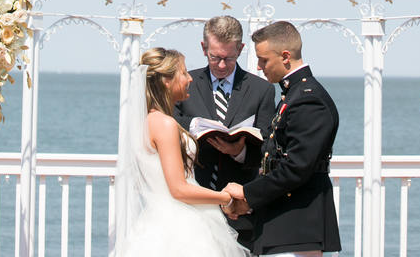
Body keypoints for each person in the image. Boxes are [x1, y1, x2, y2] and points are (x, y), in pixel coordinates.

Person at [224, 21, 341, 257]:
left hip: (299, 223)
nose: (258, 66)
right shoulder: (295, 93)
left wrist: (248, 195)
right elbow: (276, 153)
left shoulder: (308, 99)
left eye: (263, 59)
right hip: (287, 218)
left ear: (285, 56)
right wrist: (240, 151)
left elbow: (297, 167)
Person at [117, 46, 247, 257]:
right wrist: (226, 198)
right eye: (184, 73)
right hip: (179, 226)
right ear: (167, 81)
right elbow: (178, 189)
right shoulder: (165, 124)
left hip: (160, 220)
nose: (190, 79)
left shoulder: (149, 121)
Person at [174, 16, 276, 249]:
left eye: (229, 58)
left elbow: (267, 150)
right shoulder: (184, 83)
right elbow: (168, 121)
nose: (221, 65)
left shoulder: (262, 90)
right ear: (203, 48)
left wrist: (239, 151)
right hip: (192, 207)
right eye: (215, 57)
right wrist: (195, 125)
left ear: (240, 49)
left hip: (240, 212)